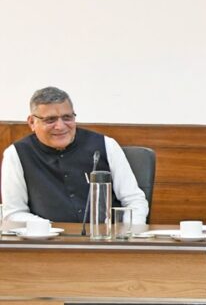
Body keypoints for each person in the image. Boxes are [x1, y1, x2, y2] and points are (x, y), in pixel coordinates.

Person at [1, 87, 148, 224]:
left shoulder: (106, 145)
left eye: (67, 117)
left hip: (105, 242)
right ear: (32, 122)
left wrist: (126, 236)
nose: (60, 126)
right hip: (46, 245)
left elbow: (134, 201)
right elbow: (14, 213)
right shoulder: (16, 154)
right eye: (50, 120)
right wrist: (47, 229)